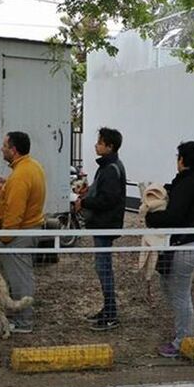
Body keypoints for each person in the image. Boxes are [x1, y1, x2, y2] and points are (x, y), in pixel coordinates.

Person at [145, 141, 194, 358]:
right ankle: (183, 333)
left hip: (187, 246)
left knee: (180, 294)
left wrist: (150, 217)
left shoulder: (189, 183)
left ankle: (183, 340)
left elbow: (175, 216)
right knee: (169, 286)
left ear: (182, 160)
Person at [0, 131, 46, 334]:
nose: (1, 149)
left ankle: (23, 322)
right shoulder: (31, 166)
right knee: (21, 277)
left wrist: (3, 237)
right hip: (28, 231)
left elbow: (14, 212)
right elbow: (19, 198)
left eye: (4, 146)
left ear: (13, 150)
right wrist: (4, 190)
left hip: (19, 235)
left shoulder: (21, 175)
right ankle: (19, 318)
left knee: (20, 279)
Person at [75, 128, 126, 330]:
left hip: (105, 224)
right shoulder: (109, 167)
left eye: (100, 142)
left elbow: (108, 199)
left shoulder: (111, 168)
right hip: (105, 223)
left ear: (109, 146)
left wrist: (85, 203)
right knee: (103, 268)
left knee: (104, 269)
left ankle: (111, 313)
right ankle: (108, 309)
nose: (96, 145)